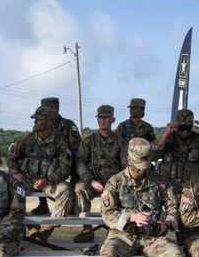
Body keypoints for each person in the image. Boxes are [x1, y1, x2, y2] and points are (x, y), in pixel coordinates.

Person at [99, 138, 186, 257]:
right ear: (129, 159)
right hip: (123, 236)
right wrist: (130, 217)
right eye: (139, 165)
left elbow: (173, 208)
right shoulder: (115, 182)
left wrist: (167, 224)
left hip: (152, 237)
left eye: (146, 165)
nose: (143, 169)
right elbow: (107, 214)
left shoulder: (159, 181)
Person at [7, 105, 74, 241]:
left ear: (49, 122)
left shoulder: (60, 142)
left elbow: (65, 167)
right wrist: (14, 172)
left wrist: (49, 180)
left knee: (65, 190)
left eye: (39, 119)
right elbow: (11, 157)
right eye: (35, 119)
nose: (35, 122)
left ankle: (48, 229)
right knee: (11, 191)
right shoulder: (27, 140)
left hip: (49, 182)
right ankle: (32, 228)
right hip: (28, 179)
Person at [73, 104, 128, 243]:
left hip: (113, 182)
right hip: (93, 181)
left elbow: (125, 167)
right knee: (80, 189)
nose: (103, 120)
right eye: (100, 117)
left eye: (106, 117)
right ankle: (87, 229)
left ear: (113, 120)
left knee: (124, 190)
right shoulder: (88, 141)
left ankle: (114, 229)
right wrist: (91, 180)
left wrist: (114, 183)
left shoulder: (120, 142)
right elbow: (80, 163)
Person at [32, 97, 82, 216]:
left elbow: (77, 148)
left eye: (53, 108)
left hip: (67, 163)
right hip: (47, 165)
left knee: (76, 179)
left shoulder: (68, 125)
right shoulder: (38, 126)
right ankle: (43, 204)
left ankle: (77, 208)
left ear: (57, 108)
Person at [150, 108, 199, 191]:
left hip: (192, 185)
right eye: (182, 127)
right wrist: (165, 134)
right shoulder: (168, 138)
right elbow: (153, 156)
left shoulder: (197, 139)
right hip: (168, 184)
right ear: (177, 125)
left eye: (188, 127)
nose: (185, 131)